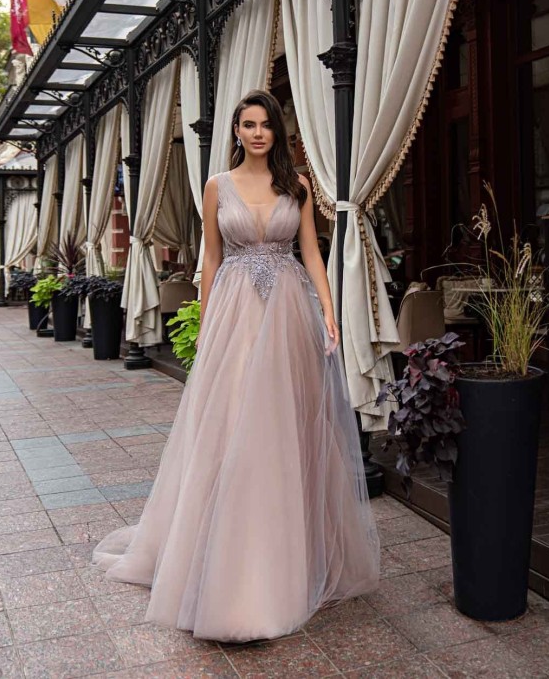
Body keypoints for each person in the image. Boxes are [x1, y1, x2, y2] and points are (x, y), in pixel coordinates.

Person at [92, 89, 380, 642]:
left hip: (290, 312)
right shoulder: (216, 186)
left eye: (265, 124)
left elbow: (313, 252)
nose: (256, 133)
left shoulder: (295, 186)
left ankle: (292, 550)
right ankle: (223, 555)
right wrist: (205, 317)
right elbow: (211, 256)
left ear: (277, 131)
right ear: (236, 131)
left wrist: (328, 309)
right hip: (236, 312)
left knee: (287, 425)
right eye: (247, 124)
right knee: (231, 423)